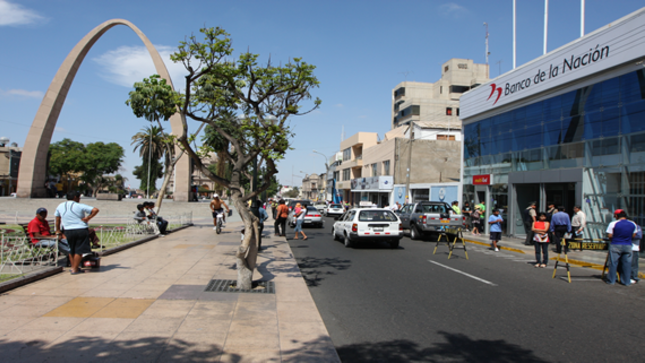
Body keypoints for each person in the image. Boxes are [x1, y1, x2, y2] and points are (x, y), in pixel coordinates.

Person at [54, 191, 99, 274]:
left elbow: (57, 219)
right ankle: (75, 269)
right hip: (81, 229)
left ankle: (73, 267)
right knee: (79, 249)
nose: (79, 199)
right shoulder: (79, 205)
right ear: (75, 197)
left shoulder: (60, 206)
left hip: (68, 230)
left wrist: (58, 230)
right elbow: (95, 210)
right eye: (78, 197)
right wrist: (88, 218)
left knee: (71, 249)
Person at [605, 210, 636, 286]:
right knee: (627, 264)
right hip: (628, 245)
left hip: (616, 244)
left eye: (615, 215)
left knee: (613, 263)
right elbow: (634, 235)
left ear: (617, 216)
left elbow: (609, 235)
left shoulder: (613, 223)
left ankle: (611, 280)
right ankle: (626, 281)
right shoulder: (633, 224)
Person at [630, 220, 642, 285]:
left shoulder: (637, 227)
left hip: (634, 248)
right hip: (626, 247)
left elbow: (639, 236)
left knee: (633, 264)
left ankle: (633, 277)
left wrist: (628, 237)